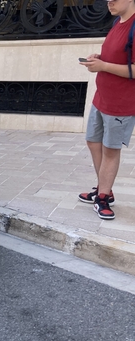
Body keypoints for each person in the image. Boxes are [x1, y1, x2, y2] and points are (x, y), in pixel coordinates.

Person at [77, 0, 135, 220]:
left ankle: (103, 198)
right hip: (101, 97)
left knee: (111, 150)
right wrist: (99, 59)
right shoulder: (117, 22)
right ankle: (104, 187)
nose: (109, 1)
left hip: (121, 103)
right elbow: (120, 57)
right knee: (93, 142)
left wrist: (104, 67)